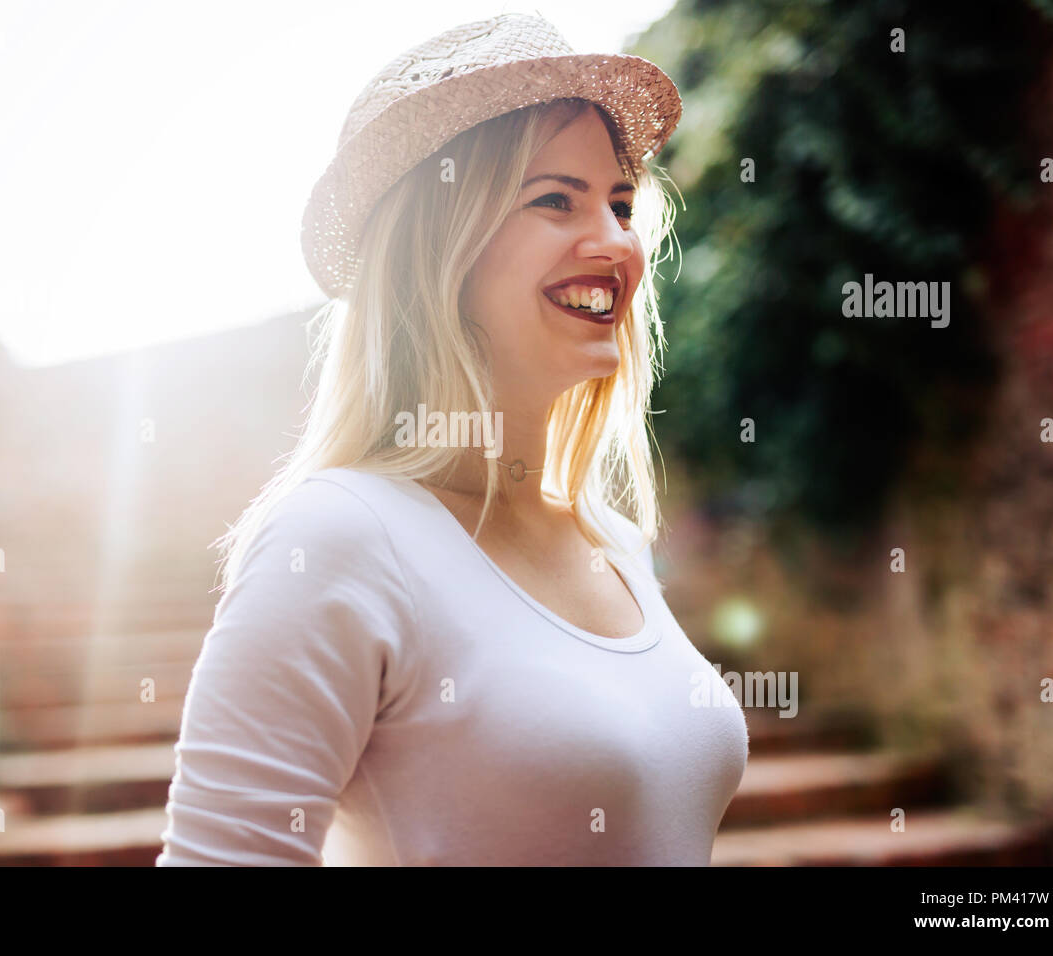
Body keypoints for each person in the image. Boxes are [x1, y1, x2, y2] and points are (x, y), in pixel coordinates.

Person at [156, 12, 748, 866]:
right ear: (439, 251)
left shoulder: (612, 542)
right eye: (555, 199)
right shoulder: (341, 535)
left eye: (621, 203)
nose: (618, 240)